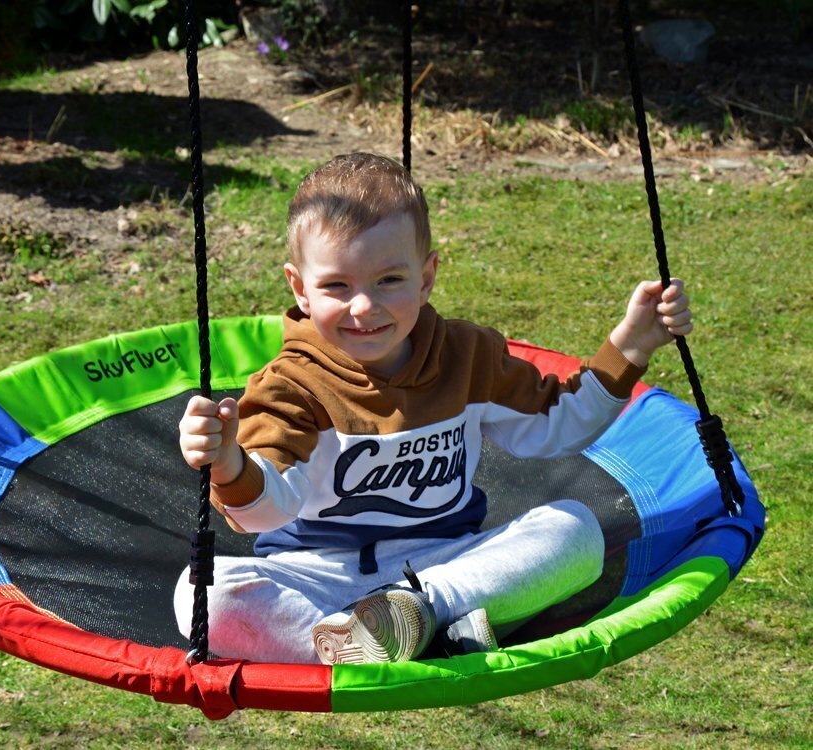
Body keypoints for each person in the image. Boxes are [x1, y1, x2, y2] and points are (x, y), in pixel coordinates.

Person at [174, 152, 693, 665]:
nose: (364, 307)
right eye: (337, 286)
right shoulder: (291, 385)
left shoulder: (466, 358)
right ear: (300, 289)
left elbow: (555, 426)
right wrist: (228, 464)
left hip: (445, 566)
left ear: (425, 278)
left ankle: (418, 617)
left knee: (575, 531)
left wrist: (630, 349)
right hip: (316, 574)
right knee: (202, 595)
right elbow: (267, 510)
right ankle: (361, 640)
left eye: (389, 281)